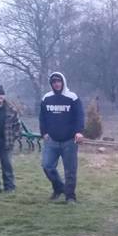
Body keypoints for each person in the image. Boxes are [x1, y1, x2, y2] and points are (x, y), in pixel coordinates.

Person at [39, 72, 85, 203]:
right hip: (51, 140)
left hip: (69, 140)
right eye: (54, 82)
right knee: (47, 166)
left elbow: (79, 116)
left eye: (59, 81)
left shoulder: (72, 97)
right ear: (51, 84)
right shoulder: (46, 98)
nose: (56, 84)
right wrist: (44, 133)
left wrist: (79, 131)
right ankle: (59, 188)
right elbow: (42, 117)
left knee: (70, 170)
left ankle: (70, 196)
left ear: (63, 82)